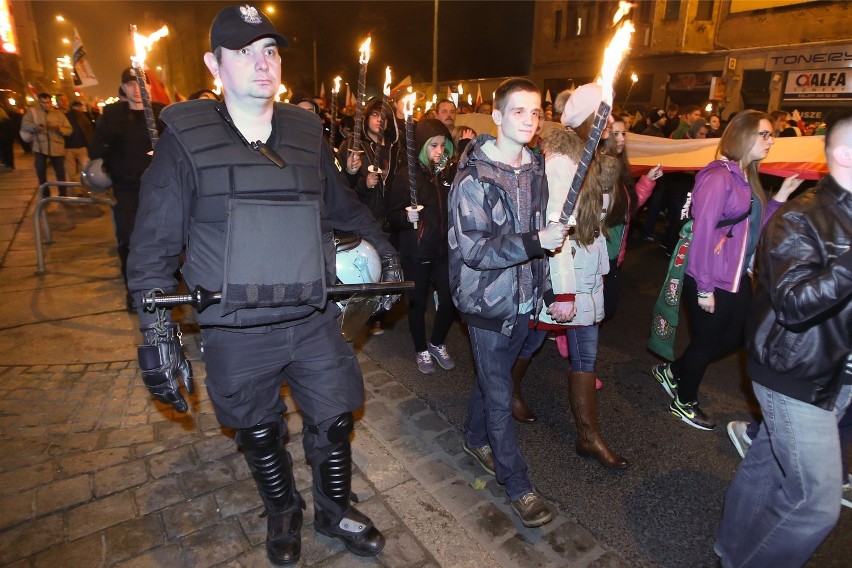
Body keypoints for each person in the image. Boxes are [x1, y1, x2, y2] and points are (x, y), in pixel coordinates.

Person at [126, 5, 402, 564]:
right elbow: (152, 247)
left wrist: (388, 253)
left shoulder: (305, 132)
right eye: (244, 51)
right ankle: (283, 509)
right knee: (256, 428)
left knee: (334, 417)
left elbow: (343, 207)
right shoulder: (184, 137)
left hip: (311, 316)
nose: (262, 63)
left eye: (270, 50)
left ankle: (334, 507)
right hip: (235, 327)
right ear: (214, 63)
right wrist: (156, 336)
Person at [714, 109, 852, 568]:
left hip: (836, 373)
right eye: (765, 136)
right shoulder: (802, 217)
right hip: (795, 371)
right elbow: (793, 303)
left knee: (767, 461)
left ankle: (731, 553)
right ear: (843, 155)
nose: (770, 143)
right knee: (814, 503)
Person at [448, 77, 569, 527]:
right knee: (500, 392)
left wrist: (550, 288)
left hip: (525, 298)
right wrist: (538, 241)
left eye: (536, 112)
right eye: (518, 111)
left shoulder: (535, 169)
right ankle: (518, 485)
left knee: (491, 377)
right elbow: (477, 250)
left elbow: (542, 229)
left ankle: (474, 437)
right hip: (486, 304)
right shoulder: (473, 178)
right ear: (496, 116)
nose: (529, 120)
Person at [651, 110, 804, 430]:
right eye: (764, 134)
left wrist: (781, 197)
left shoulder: (748, 176)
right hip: (710, 276)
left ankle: (674, 371)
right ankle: (684, 400)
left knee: (736, 336)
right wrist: (704, 287)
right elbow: (704, 233)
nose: (771, 140)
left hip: (736, 276)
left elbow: (752, 229)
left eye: (771, 134)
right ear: (743, 136)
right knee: (707, 341)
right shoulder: (718, 176)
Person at [520, 83, 628, 468]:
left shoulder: (594, 158)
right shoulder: (561, 163)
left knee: (586, 354)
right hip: (565, 272)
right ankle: (506, 393)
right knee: (530, 342)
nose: (610, 122)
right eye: (604, 115)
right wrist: (563, 292)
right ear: (585, 120)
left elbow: (604, 217)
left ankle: (588, 436)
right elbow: (557, 230)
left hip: (587, 269)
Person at [90, 67, 165, 310]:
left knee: (163, 241)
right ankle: (135, 293)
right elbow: (98, 151)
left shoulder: (160, 114)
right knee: (131, 241)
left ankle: (163, 289)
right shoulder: (112, 115)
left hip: (159, 188)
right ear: (123, 87)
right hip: (127, 190)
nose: (137, 88)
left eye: (142, 82)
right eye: (130, 83)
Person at [386, 118, 457, 373]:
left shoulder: (448, 174)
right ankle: (421, 350)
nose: (439, 152)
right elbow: (391, 216)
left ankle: (437, 342)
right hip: (416, 252)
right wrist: (406, 217)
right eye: (433, 146)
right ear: (422, 147)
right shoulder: (407, 176)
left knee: (450, 300)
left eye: (443, 146)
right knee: (416, 303)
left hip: (442, 250)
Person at [601, 117, 661, 320]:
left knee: (605, 309)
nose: (620, 139)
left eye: (623, 134)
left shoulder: (620, 167)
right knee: (591, 311)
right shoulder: (596, 168)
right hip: (598, 253)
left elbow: (627, 208)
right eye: (615, 134)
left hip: (615, 253)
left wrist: (647, 181)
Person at [21, 93, 72, 195]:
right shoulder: (32, 112)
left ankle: (62, 193)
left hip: (56, 147)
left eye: (48, 102)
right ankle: (45, 194)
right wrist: (35, 127)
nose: (46, 105)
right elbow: (24, 125)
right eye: (43, 103)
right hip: (39, 147)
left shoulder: (58, 114)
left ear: (50, 101)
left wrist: (58, 128)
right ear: (39, 102)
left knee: (60, 172)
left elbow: (69, 130)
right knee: (40, 170)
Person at [58, 95, 94, 183]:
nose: (64, 102)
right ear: (57, 102)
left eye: (65, 100)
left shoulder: (77, 113)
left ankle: (86, 188)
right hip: (67, 148)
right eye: (61, 100)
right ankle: (78, 192)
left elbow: (87, 127)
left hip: (82, 147)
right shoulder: (57, 115)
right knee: (71, 173)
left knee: (86, 169)